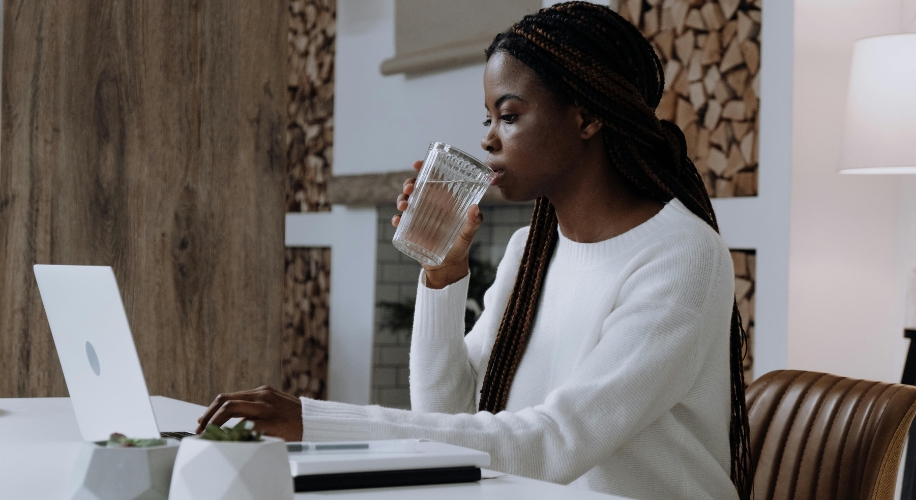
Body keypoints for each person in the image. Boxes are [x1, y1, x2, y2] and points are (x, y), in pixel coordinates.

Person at [195, 3, 752, 499]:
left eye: (508, 116)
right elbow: (446, 418)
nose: (488, 138)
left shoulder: (682, 258)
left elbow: (549, 446)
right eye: (487, 118)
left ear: (586, 117)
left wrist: (312, 421)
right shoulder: (530, 249)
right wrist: (442, 276)